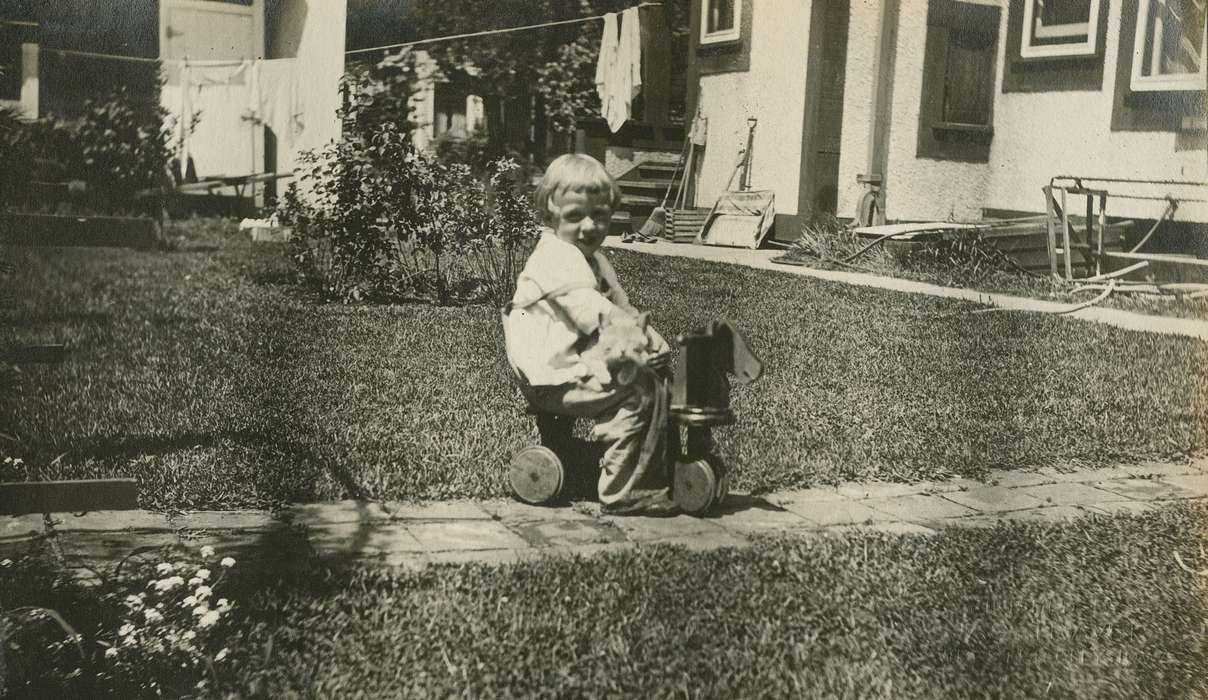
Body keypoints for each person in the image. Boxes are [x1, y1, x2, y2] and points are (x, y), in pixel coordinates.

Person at [503, 154, 678, 515]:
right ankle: (623, 489)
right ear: (550, 215)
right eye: (574, 216)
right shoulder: (556, 256)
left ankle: (658, 465)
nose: (589, 227)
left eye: (599, 215)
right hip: (554, 378)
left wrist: (645, 333)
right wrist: (642, 342)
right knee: (641, 388)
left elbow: (620, 306)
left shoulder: (593, 259)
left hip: (576, 366)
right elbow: (592, 312)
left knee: (659, 376)